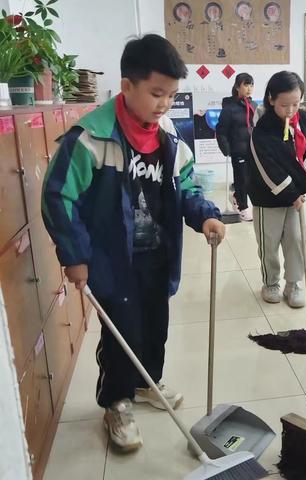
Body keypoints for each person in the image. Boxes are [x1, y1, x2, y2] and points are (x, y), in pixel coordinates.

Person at [41, 34, 225, 452]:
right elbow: (58, 196)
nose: (165, 104)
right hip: (110, 259)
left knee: (155, 323)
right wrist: (75, 255)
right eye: (157, 93)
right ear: (127, 86)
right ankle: (116, 401)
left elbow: (187, 184)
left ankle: (147, 383)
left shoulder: (169, 137)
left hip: (157, 253)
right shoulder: (91, 138)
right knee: (121, 332)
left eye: (171, 95)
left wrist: (206, 214)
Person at [247, 71, 306, 308]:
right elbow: (268, 169)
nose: (290, 110)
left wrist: (305, 186)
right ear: (271, 99)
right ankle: (271, 282)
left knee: (296, 240)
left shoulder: (305, 120)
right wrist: (292, 193)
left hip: (297, 196)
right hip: (268, 195)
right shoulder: (262, 129)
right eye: (284, 104)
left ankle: (294, 283)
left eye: (296, 104)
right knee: (269, 242)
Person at [216, 72, 256, 221]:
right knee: (242, 180)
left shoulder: (253, 105)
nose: (249, 88)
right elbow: (220, 131)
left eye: (251, 84)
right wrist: (225, 148)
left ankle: (236, 196)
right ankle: (243, 208)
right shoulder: (229, 108)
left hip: (253, 150)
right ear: (237, 86)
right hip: (238, 150)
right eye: (246, 84)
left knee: (251, 179)